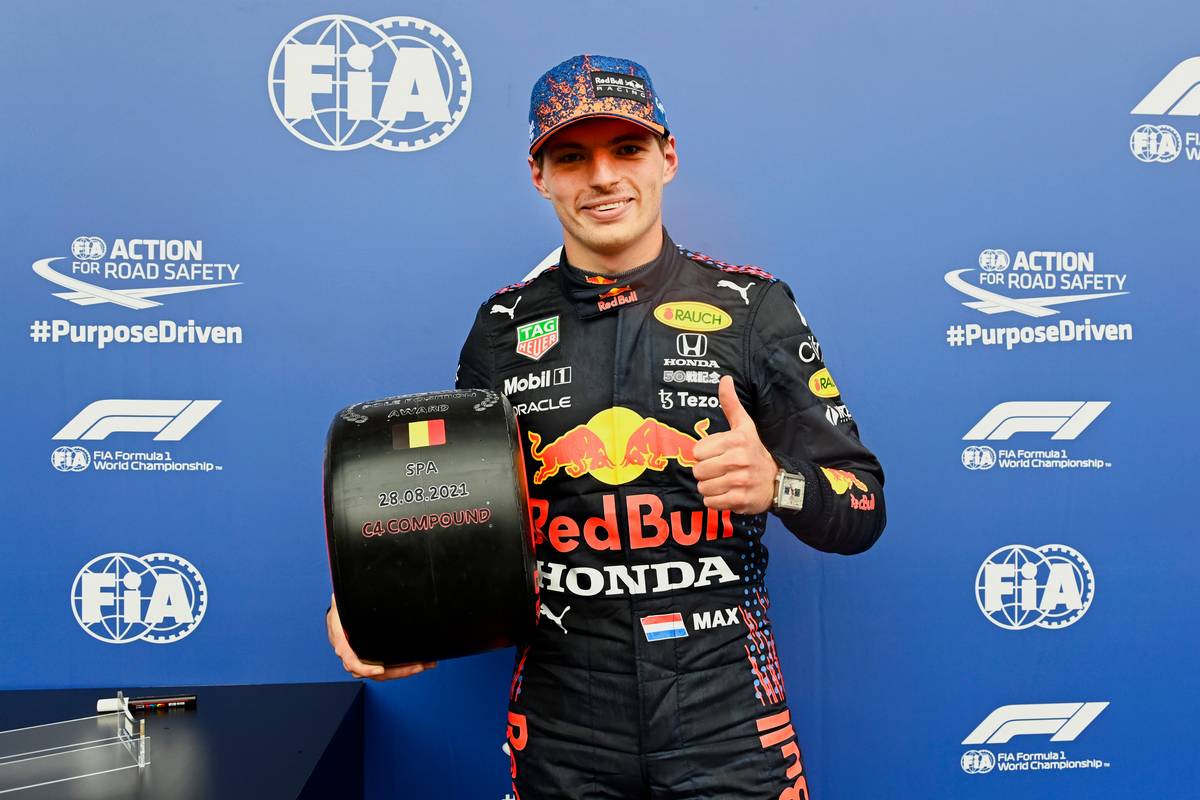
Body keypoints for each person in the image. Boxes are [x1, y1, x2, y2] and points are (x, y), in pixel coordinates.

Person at [329, 54, 886, 799]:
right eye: (572, 157)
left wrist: (775, 485)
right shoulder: (503, 326)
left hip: (728, 722)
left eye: (626, 149)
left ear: (667, 158)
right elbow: (447, 512)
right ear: (541, 175)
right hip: (563, 727)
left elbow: (863, 506)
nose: (601, 177)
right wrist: (374, 608)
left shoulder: (754, 308)